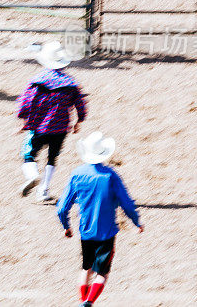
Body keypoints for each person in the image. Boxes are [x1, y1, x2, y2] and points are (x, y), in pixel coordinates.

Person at [57, 132, 143, 307]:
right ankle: (89, 302)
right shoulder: (111, 175)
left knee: (86, 268)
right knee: (102, 273)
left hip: (85, 230)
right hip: (107, 232)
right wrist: (136, 221)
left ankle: (83, 301)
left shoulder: (77, 174)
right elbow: (126, 202)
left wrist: (66, 226)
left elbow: (61, 207)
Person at [16, 40, 86, 202]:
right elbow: (80, 103)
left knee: (28, 154)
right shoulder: (71, 83)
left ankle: (33, 176)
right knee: (52, 157)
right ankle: (44, 190)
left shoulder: (37, 81)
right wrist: (79, 121)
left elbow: (26, 102)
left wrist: (23, 120)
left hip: (39, 127)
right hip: (61, 128)